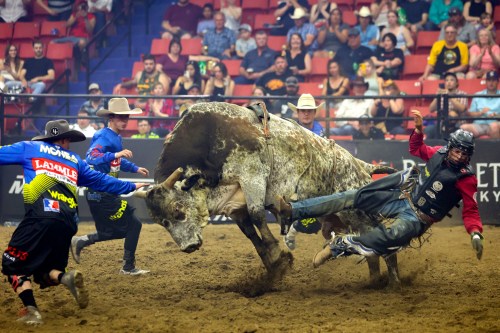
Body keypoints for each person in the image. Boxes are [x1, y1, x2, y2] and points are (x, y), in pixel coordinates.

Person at [279, 114, 484, 268]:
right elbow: (417, 148)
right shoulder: (438, 153)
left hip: (418, 218)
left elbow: (471, 210)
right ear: (450, 148)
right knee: (352, 196)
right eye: (457, 151)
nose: (459, 156)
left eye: (465, 154)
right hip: (402, 196)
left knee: (389, 236)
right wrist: (419, 130)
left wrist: (475, 233)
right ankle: (294, 210)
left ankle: (338, 247)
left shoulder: (466, 179)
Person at [1, 119, 147, 325]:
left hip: (41, 217)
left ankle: (31, 310)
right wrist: (130, 186)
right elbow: (102, 180)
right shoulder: (74, 160)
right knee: (44, 273)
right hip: (68, 222)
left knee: (12, 264)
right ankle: (65, 278)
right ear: (65, 140)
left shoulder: (30, 148)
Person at [71, 98, 151, 275]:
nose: (125, 120)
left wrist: (135, 168)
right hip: (102, 193)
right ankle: (128, 267)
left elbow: (116, 161)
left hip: (103, 193)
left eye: (127, 117)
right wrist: (116, 153)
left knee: (115, 231)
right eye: (121, 117)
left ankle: (82, 240)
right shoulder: (103, 136)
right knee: (134, 225)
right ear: (111, 118)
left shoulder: (114, 136)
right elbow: (92, 158)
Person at [425, 72, 468, 139]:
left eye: (451, 80)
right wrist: (437, 97)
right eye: (447, 80)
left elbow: (462, 108)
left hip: (458, 124)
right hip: (442, 124)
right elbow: (431, 109)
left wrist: (449, 96)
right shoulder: (442, 93)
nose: (449, 82)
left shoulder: (462, 94)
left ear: (457, 83)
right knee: (429, 130)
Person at [460, 70, 500, 138]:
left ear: (497, 82)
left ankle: (495, 148)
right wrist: (480, 113)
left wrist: (496, 115)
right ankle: (474, 148)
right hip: (479, 124)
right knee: (464, 127)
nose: (491, 83)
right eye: (489, 80)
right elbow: (471, 113)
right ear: (486, 82)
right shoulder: (478, 95)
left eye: (493, 80)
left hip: (495, 123)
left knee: (494, 126)